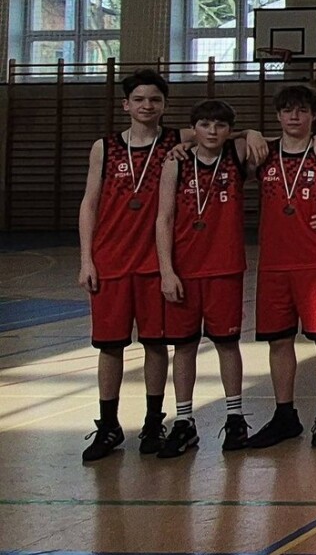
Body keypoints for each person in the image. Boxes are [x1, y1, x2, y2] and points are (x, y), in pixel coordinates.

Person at [79, 70, 182, 463]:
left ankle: (153, 422)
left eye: (154, 99)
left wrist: (252, 134)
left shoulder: (176, 141)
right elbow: (89, 203)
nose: (146, 106)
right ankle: (109, 425)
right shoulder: (104, 148)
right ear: (126, 105)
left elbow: (222, 133)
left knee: (155, 344)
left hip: (155, 262)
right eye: (139, 99)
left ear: (165, 105)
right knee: (110, 347)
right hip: (111, 261)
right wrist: (86, 258)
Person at [153, 100, 264, 457]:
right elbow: (163, 219)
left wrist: (252, 131)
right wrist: (166, 270)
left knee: (227, 344)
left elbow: (279, 140)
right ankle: (184, 421)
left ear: (229, 130)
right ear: (194, 128)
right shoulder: (176, 162)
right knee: (183, 347)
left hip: (225, 268)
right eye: (204, 124)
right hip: (184, 269)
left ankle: (235, 417)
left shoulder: (236, 155)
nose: (212, 131)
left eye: (220, 125)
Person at [246, 85, 316, 449]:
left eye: (302, 110)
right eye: (288, 110)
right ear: (278, 115)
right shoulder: (262, 153)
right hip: (274, 265)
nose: (294, 116)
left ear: (314, 115)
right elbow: (205, 134)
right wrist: (248, 132)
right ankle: (285, 415)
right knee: (279, 340)